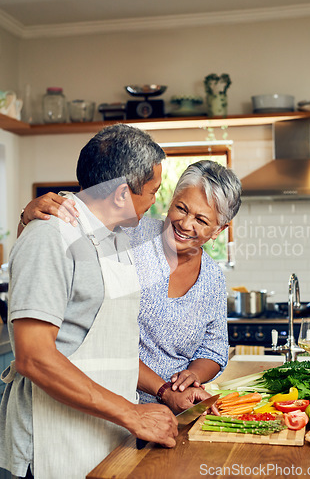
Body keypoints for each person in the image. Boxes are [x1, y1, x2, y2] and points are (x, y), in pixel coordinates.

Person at [0, 124, 212, 479]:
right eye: (152, 192)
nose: (156, 203)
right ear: (120, 194)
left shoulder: (117, 236)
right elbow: (33, 358)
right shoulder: (50, 235)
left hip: (101, 437)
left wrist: (160, 392)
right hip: (49, 445)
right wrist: (131, 413)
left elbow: (114, 348)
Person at [20, 159, 242, 405]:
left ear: (218, 231)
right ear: (170, 200)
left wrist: (190, 379)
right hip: (106, 401)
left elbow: (213, 348)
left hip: (177, 408)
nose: (186, 224)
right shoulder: (129, 232)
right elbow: (54, 243)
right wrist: (28, 216)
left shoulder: (212, 277)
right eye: (182, 208)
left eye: (201, 220)